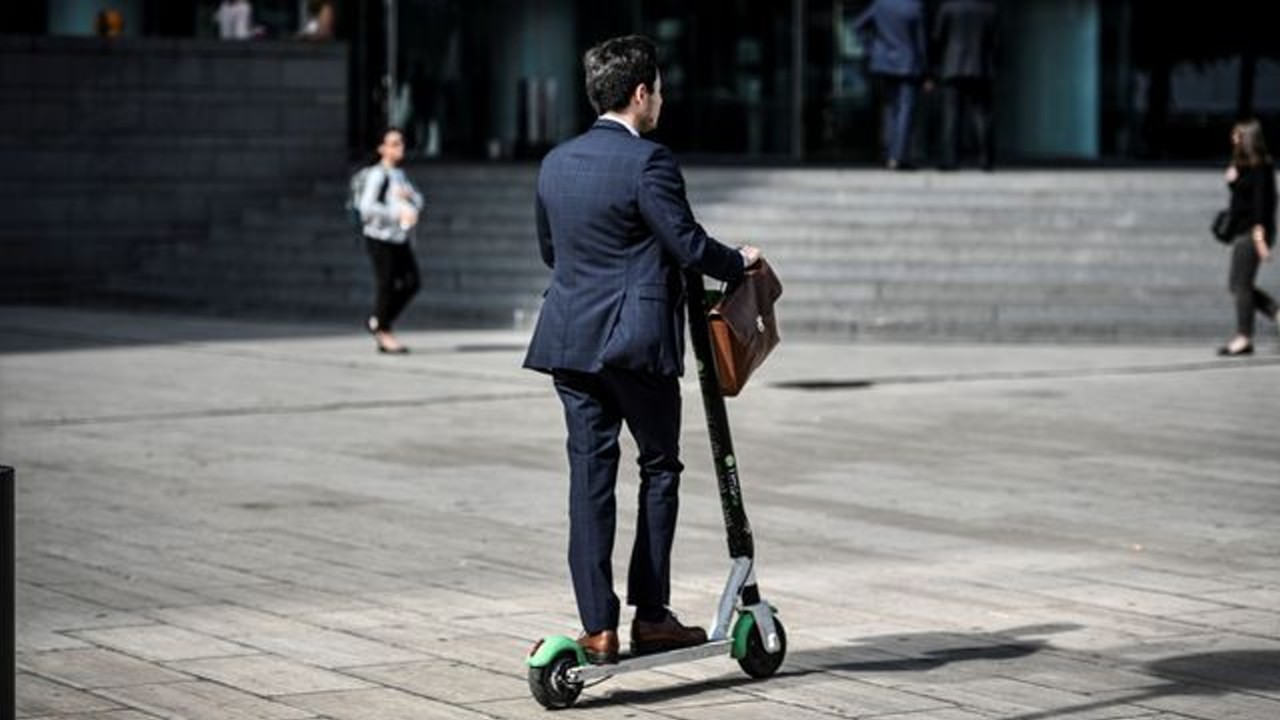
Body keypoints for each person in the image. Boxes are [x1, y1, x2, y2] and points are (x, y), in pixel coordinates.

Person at [523, 35, 761, 664]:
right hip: (634, 344)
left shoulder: (556, 162)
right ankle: (651, 615)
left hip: (569, 342)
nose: (661, 98)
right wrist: (739, 260)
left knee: (588, 479)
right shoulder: (648, 161)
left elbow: (554, 252)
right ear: (640, 93)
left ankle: (597, 627)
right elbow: (687, 244)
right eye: (658, 88)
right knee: (659, 467)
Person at [359, 128, 424, 354]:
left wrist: (411, 201)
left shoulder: (399, 174)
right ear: (382, 148)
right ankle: (383, 330)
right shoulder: (377, 174)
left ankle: (378, 320)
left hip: (399, 237)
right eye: (394, 144)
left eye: (401, 143)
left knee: (412, 282)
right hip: (379, 237)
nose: (400, 148)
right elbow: (366, 208)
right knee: (386, 284)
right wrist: (396, 215)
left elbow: (417, 199)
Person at [1218, 119, 1278, 356]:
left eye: (1238, 136)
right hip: (1246, 232)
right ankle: (1276, 313)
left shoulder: (1260, 167)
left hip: (1251, 234)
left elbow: (1261, 207)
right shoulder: (1246, 167)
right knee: (1238, 285)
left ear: (1249, 140)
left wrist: (1260, 238)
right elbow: (1242, 201)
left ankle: (1244, 336)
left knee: (1240, 286)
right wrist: (1233, 183)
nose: (1233, 140)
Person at [853, 0, 927, 170]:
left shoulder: (881, 5)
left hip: (884, 63)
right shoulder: (915, 7)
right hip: (908, 63)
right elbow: (921, 42)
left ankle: (889, 154)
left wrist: (871, 48)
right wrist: (925, 69)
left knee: (889, 108)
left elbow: (858, 26)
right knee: (905, 110)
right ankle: (899, 156)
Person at [933, 0, 998, 171]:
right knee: (982, 115)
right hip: (981, 67)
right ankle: (986, 160)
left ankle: (950, 160)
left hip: (952, 66)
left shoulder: (948, 7)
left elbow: (938, 37)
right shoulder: (988, 9)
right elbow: (996, 41)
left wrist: (937, 65)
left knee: (952, 115)